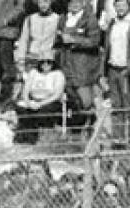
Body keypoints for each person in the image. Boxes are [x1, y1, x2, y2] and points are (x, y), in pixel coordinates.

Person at [55, 0, 101, 130]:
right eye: (71, 2)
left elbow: (94, 41)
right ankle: (76, 129)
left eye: (77, 1)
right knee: (71, 98)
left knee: (85, 99)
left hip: (82, 65)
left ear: (83, 3)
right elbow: (58, 39)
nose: (74, 5)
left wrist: (73, 40)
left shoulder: (90, 19)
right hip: (65, 64)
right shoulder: (63, 18)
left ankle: (91, 129)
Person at [101, 0, 130, 148]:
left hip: (128, 71)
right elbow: (106, 47)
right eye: (117, 6)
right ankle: (118, 139)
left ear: (129, 7)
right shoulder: (112, 24)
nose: (120, 8)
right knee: (116, 105)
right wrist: (104, 71)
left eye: (123, 5)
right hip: (113, 68)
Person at [14, 51, 65, 144]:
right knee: (22, 109)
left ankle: (40, 137)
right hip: (33, 100)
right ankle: (25, 137)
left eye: (48, 62)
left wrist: (41, 104)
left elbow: (57, 95)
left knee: (43, 111)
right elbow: (25, 91)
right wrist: (28, 102)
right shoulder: (33, 72)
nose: (45, 64)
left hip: (50, 101)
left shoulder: (58, 74)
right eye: (43, 62)